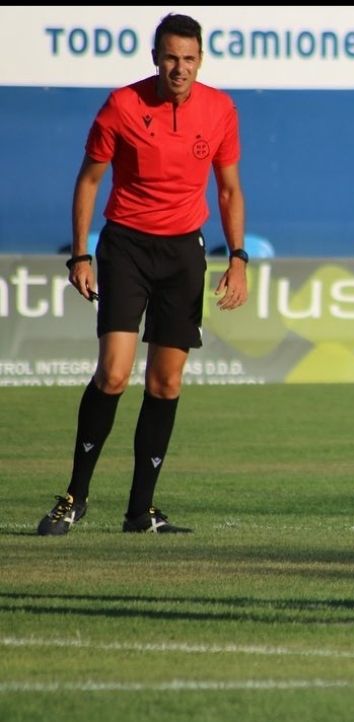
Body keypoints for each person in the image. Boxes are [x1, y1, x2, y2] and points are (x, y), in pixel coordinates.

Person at [37, 13, 249, 535]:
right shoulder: (123, 105)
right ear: (156, 57)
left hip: (183, 253)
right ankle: (73, 496)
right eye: (171, 57)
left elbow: (228, 189)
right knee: (113, 372)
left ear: (202, 60)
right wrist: (80, 256)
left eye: (190, 59)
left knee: (166, 382)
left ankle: (139, 512)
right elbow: (88, 181)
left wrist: (238, 257)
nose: (180, 68)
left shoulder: (220, 109)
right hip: (125, 246)